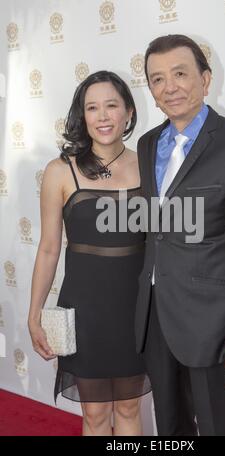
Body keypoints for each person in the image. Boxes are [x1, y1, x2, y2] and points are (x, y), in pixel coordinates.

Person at [135, 34, 225, 436]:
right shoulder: (147, 145)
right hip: (157, 319)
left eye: (180, 73)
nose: (169, 86)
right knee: (171, 430)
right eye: (157, 79)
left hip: (216, 325)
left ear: (206, 79)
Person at [28, 70, 151, 436]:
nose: (102, 116)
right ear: (82, 117)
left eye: (111, 105)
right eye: (92, 108)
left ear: (128, 112)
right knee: (96, 415)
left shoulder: (150, 165)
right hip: (85, 310)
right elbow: (49, 248)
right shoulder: (59, 172)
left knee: (130, 409)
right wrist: (34, 315)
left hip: (137, 309)